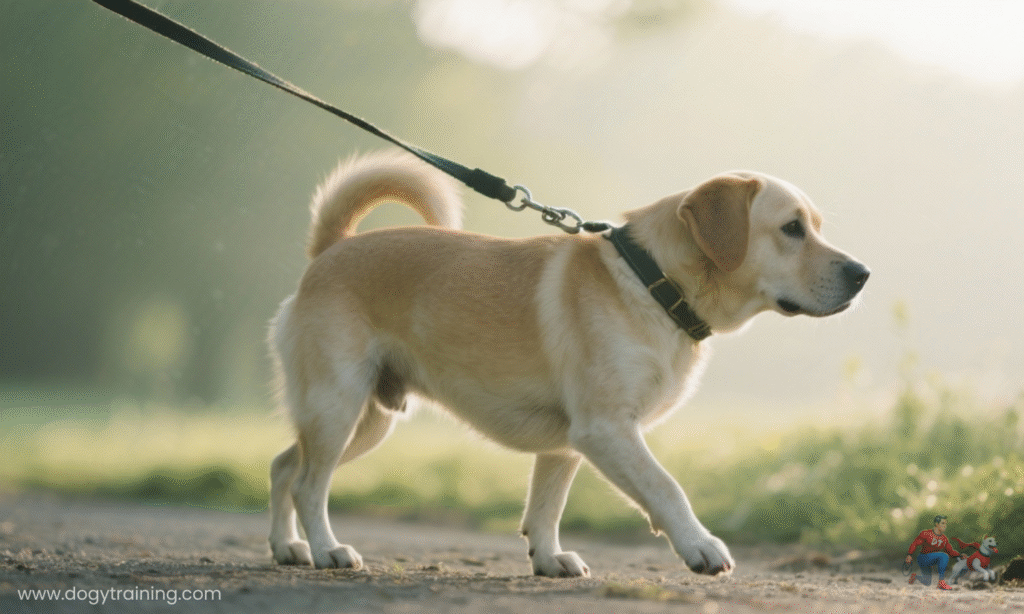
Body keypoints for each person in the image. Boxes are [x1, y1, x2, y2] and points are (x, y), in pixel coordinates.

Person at [906, 515, 960, 590]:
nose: (945, 526)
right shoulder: (926, 533)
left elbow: (950, 551)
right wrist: (909, 554)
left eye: (945, 524)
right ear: (937, 524)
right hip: (923, 558)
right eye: (942, 523)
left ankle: (915, 576)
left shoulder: (944, 539)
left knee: (927, 582)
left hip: (931, 559)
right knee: (943, 556)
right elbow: (915, 543)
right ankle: (941, 582)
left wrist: (960, 555)